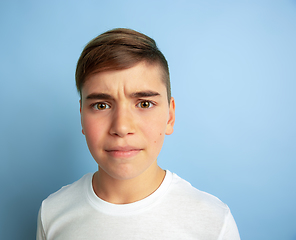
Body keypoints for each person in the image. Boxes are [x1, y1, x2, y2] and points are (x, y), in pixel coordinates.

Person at [36, 28, 240, 240]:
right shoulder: (52, 213)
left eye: (144, 103)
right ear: (81, 117)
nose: (122, 127)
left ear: (170, 117)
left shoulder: (213, 222)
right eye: (101, 105)